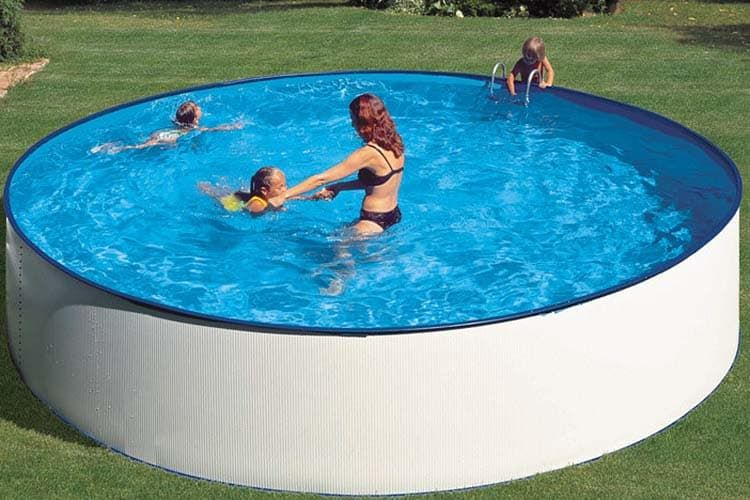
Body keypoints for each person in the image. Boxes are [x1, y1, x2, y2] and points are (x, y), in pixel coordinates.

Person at [268, 93, 405, 235]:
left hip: (372, 221)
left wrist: (283, 196)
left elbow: (321, 179)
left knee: (335, 244)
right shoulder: (395, 143)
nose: (352, 124)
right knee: (343, 234)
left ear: (363, 121)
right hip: (393, 214)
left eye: (353, 119)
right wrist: (340, 187)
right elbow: (379, 183)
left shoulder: (368, 153)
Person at [91, 100, 242, 153]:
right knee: (139, 147)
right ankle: (117, 148)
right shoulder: (194, 129)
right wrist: (233, 126)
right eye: (197, 109)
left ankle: (115, 147)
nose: (200, 108)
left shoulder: (177, 123)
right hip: (169, 138)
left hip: (163, 133)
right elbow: (213, 129)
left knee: (141, 145)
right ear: (195, 118)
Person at [198, 166, 287, 215]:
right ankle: (204, 187)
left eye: (284, 185)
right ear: (264, 191)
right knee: (216, 195)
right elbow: (256, 213)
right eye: (280, 187)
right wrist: (272, 208)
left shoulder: (266, 196)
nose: (285, 189)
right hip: (229, 202)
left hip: (244, 197)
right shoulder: (257, 203)